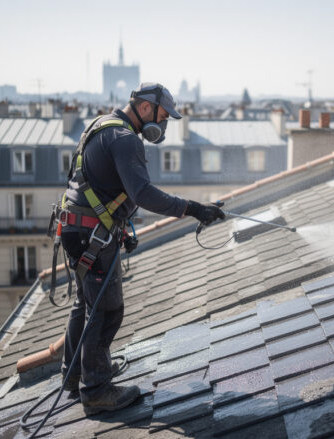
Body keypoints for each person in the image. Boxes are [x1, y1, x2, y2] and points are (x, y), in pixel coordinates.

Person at [59, 82, 224, 414]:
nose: (162, 126)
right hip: (92, 233)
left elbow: (97, 184)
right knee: (106, 310)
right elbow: (143, 194)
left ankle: (73, 375)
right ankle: (96, 390)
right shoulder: (126, 140)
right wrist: (194, 209)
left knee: (85, 304)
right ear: (146, 108)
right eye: (163, 116)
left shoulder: (101, 125)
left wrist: (119, 228)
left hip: (76, 229)